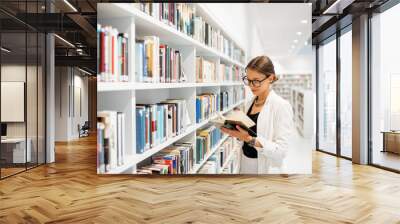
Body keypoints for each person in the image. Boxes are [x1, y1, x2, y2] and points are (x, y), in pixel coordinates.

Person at [220, 55, 294, 174]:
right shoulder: (249, 103)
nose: (251, 85)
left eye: (256, 81)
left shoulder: (281, 106)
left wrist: (248, 139)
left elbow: (281, 151)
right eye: (248, 80)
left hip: (265, 167)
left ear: (271, 78)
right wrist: (236, 132)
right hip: (245, 162)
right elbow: (246, 134)